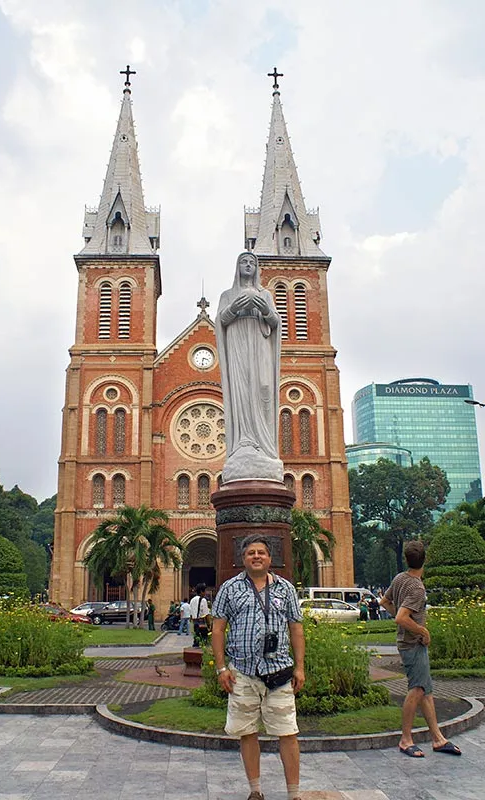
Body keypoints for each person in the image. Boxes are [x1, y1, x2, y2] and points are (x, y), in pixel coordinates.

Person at [212, 534, 305, 800]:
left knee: (288, 732)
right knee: (247, 732)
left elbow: (296, 629)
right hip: (242, 672)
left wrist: (300, 667)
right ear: (243, 558)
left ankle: (294, 794)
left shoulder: (285, 589)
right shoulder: (230, 588)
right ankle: (255, 791)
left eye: (261, 552)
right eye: (251, 553)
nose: (256, 556)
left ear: (269, 558)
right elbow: (218, 629)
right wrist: (221, 668)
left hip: (279, 673)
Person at [381, 540, 461, 758]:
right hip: (412, 645)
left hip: (408, 642)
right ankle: (406, 739)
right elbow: (401, 617)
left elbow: (384, 602)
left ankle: (438, 738)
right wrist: (422, 631)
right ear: (425, 559)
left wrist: (405, 620)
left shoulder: (400, 578)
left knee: (426, 690)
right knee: (417, 689)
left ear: (406, 559)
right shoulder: (416, 587)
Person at [215, 251, 283, 483]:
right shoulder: (227, 295)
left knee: (264, 388)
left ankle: (264, 445)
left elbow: (275, 322)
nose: (247, 265)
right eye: (243, 261)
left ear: (257, 268)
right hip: (237, 346)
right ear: (237, 267)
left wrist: (265, 309)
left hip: (259, 345)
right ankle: (244, 440)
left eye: (251, 262)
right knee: (241, 391)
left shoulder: (265, 294)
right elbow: (221, 321)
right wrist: (233, 308)